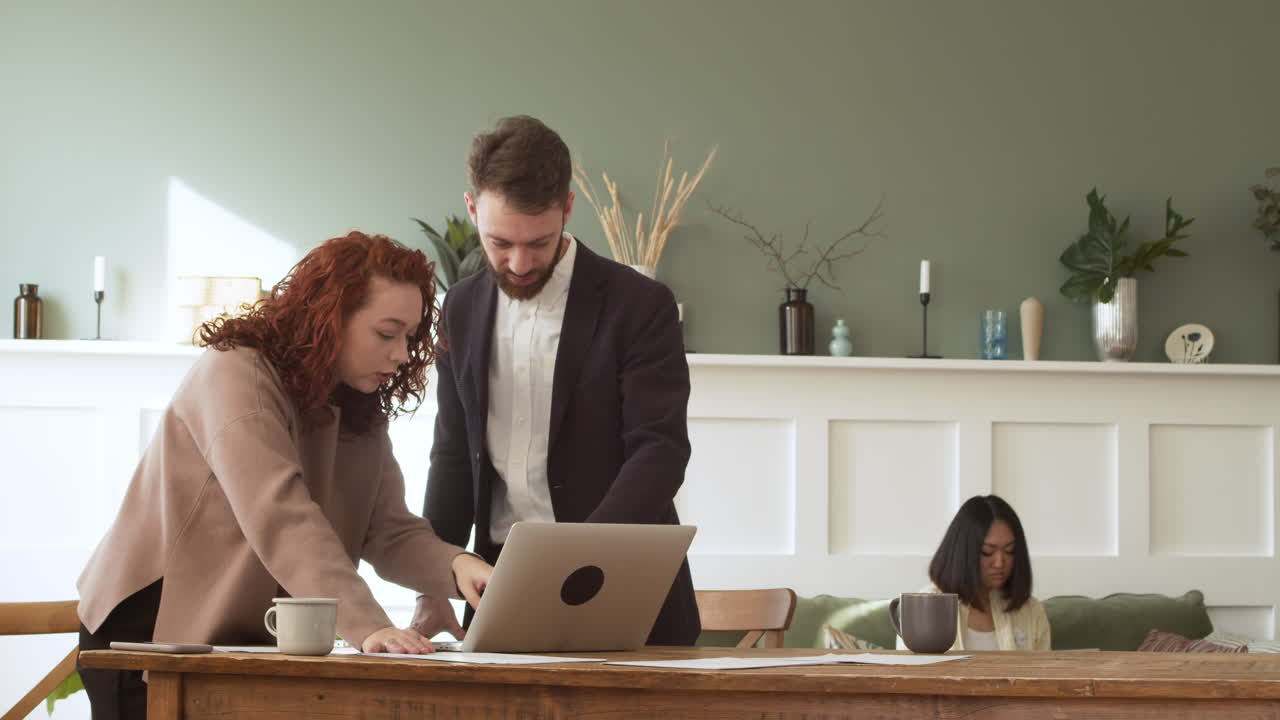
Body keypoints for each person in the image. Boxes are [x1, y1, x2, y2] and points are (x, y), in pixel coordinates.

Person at [76, 231, 493, 720]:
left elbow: (389, 530)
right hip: (153, 626)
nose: (402, 354)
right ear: (330, 318)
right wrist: (370, 628)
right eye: (387, 333)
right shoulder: (236, 371)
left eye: (409, 336)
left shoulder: (355, 402)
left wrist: (458, 566)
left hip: (247, 634)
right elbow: (280, 515)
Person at [410, 115, 700, 645]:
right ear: (473, 208)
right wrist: (434, 581)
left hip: (626, 577)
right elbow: (452, 455)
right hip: (496, 584)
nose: (519, 263)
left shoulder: (639, 305)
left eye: (539, 243)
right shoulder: (461, 307)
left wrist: (578, 560)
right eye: (500, 242)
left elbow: (659, 452)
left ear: (567, 208)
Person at [908, 494, 1051, 651]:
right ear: (962, 552)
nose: (999, 563)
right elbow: (908, 673)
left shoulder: (1031, 611)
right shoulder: (923, 607)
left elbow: (1044, 674)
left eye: (1010, 551)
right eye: (987, 552)